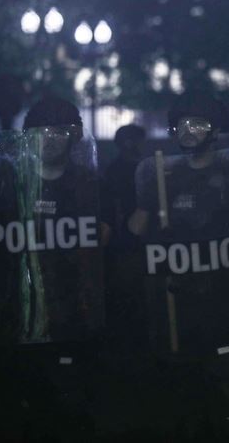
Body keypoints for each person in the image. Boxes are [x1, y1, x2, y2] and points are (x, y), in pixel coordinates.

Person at [0, 96, 108, 441]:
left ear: (73, 136)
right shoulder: (9, 188)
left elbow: (102, 246)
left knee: (72, 413)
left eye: (59, 131)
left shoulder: (86, 185)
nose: (50, 139)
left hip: (73, 319)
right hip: (20, 320)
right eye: (42, 131)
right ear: (29, 137)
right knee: (28, 416)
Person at [129, 91, 229, 441]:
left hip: (225, 298)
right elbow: (136, 229)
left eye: (198, 124)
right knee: (185, 392)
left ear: (215, 130)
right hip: (180, 301)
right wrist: (146, 208)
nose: (189, 132)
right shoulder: (164, 176)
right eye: (183, 125)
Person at [100, 124, 147, 354]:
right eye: (130, 140)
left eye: (136, 140)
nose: (134, 145)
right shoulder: (115, 172)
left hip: (143, 241)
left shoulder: (144, 168)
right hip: (125, 245)